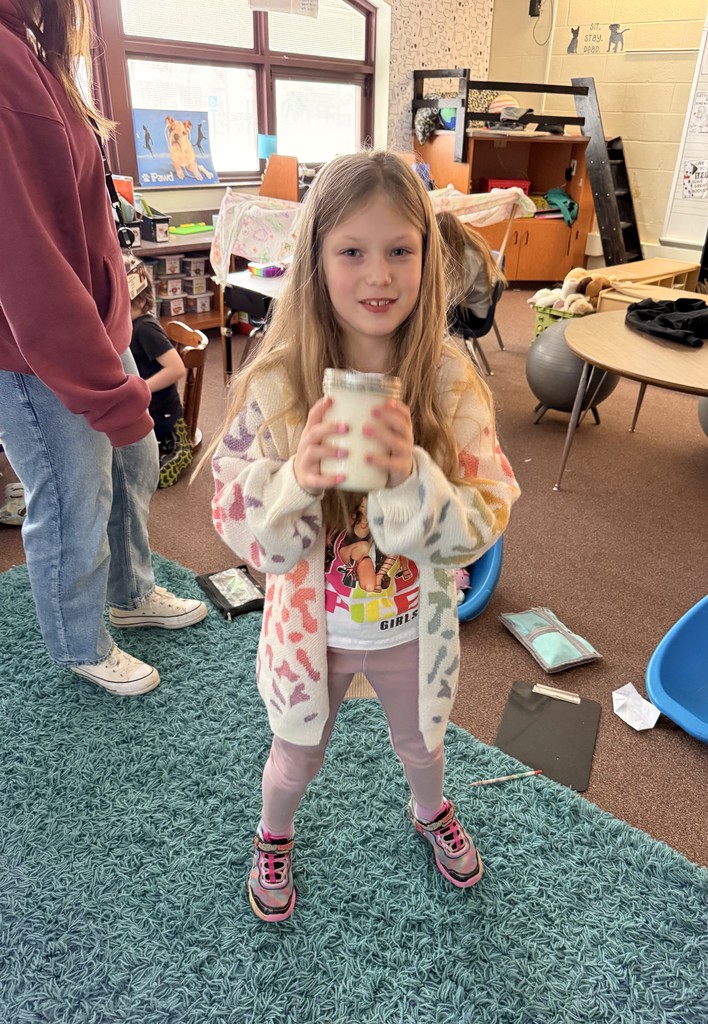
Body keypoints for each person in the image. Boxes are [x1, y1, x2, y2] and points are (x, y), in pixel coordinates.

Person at [209, 150, 520, 922]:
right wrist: (297, 481)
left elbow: (488, 512)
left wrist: (415, 474)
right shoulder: (280, 381)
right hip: (313, 631)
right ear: (317, 259)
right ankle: (272, 834)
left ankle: (430, 810)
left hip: (413, 625)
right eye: (352, 251)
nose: (378, 275)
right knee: (295, 755)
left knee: (423, 745)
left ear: (428, 257)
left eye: (399, 251)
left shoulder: (448, 380)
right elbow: (236, 522)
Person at [0, 0, 207, 698]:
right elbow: (22, 257)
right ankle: (78, 642)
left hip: (97, 326)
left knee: (132, 463)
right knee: (71, 498)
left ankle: (129, 592)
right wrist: (96, 378)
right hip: (35, 352)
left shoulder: (34, 51)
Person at [125, 256, 194, 489]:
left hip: (166, 417)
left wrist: (141, 388)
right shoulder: (127, 327)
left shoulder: (145, 328)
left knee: (156, 479)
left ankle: (177, 446)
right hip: (144, 415)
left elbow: (176, 368)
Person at [436, 210, 507, 322]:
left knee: (424, 313)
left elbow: (451, 298)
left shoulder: (469, 256)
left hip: (474, 315)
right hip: (470, 306)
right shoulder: (465, 247)